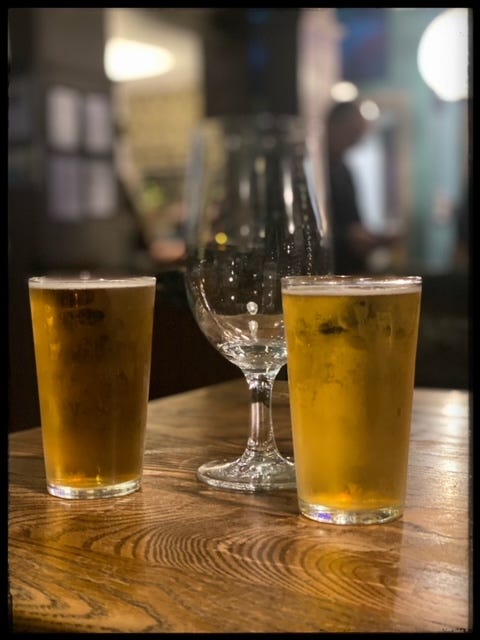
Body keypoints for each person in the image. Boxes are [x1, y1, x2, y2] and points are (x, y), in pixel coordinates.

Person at [325, 99, 398, 274]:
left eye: (358, 135)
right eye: (353, 133)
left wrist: (370, 237)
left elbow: (354, 221)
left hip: (349, 267)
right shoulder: (313, 170)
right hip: (326, 269)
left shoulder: (345, 170)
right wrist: (347, 237)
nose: (355, 142)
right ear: (333, 125)